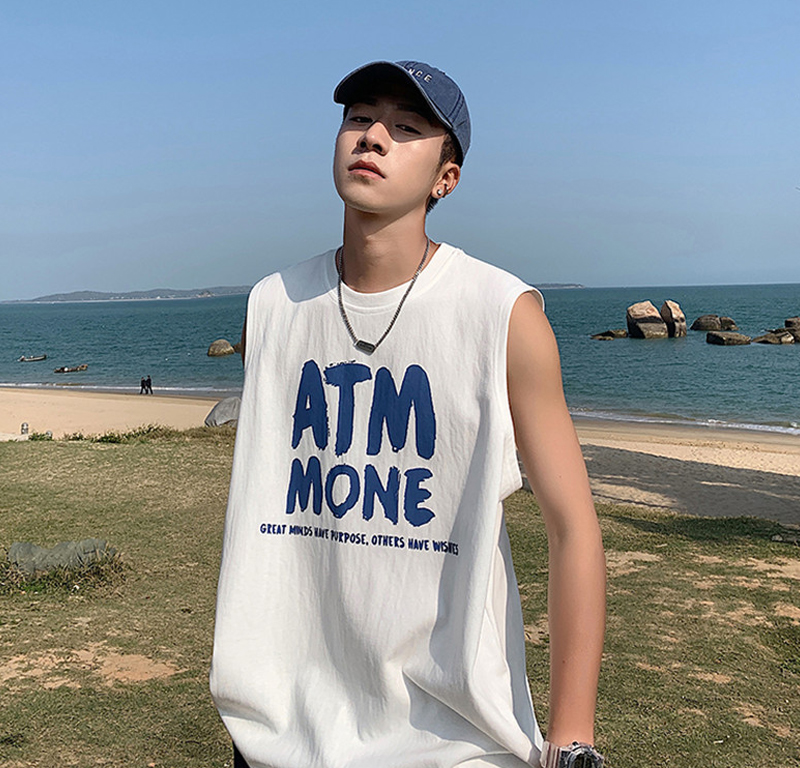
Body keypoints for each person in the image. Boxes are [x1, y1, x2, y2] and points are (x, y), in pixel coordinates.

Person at [210, 60, 606, 768]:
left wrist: (573, 739)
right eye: (359, 117)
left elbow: (573, 528)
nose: (373, 137)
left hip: (450, 743)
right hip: (279, 737)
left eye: (407, 127)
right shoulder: (271, 306)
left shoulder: (502, 316)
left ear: (445, 178)